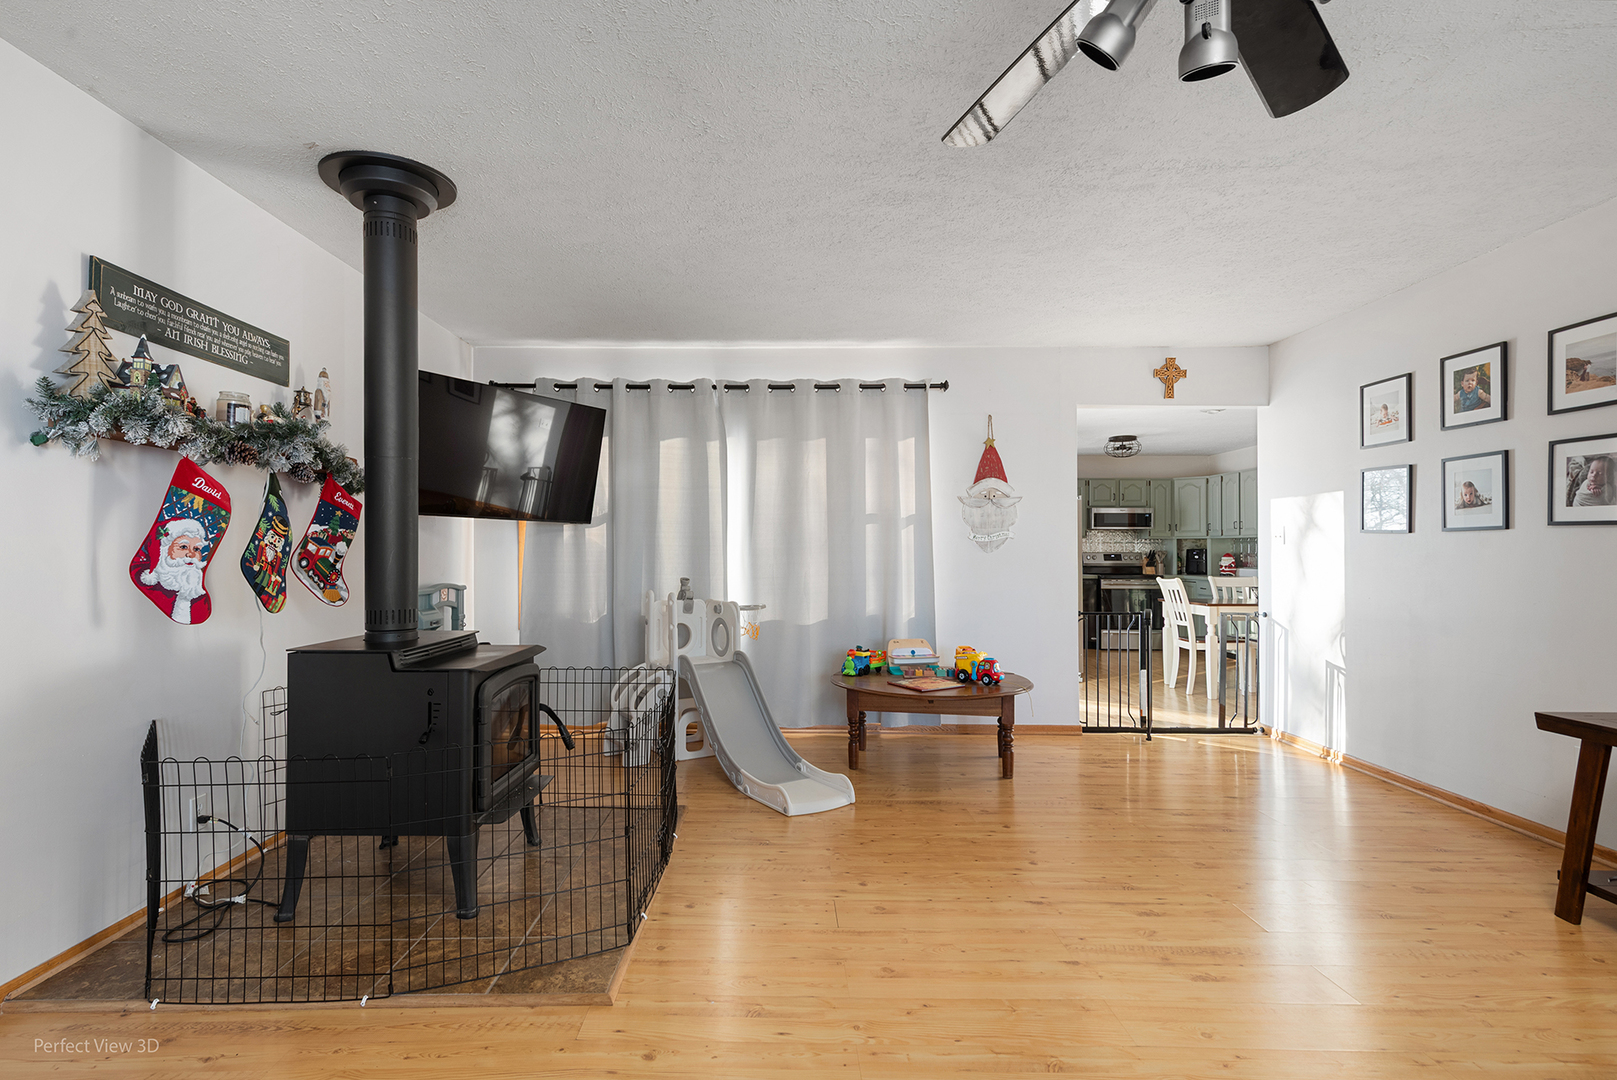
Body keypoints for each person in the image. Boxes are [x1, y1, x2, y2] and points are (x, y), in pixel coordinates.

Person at [137, 517, 210, 624]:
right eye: (183, 547)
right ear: (165, 550)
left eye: (196, 549)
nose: (190, 555)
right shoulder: (148, 581)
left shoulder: (197, 597)